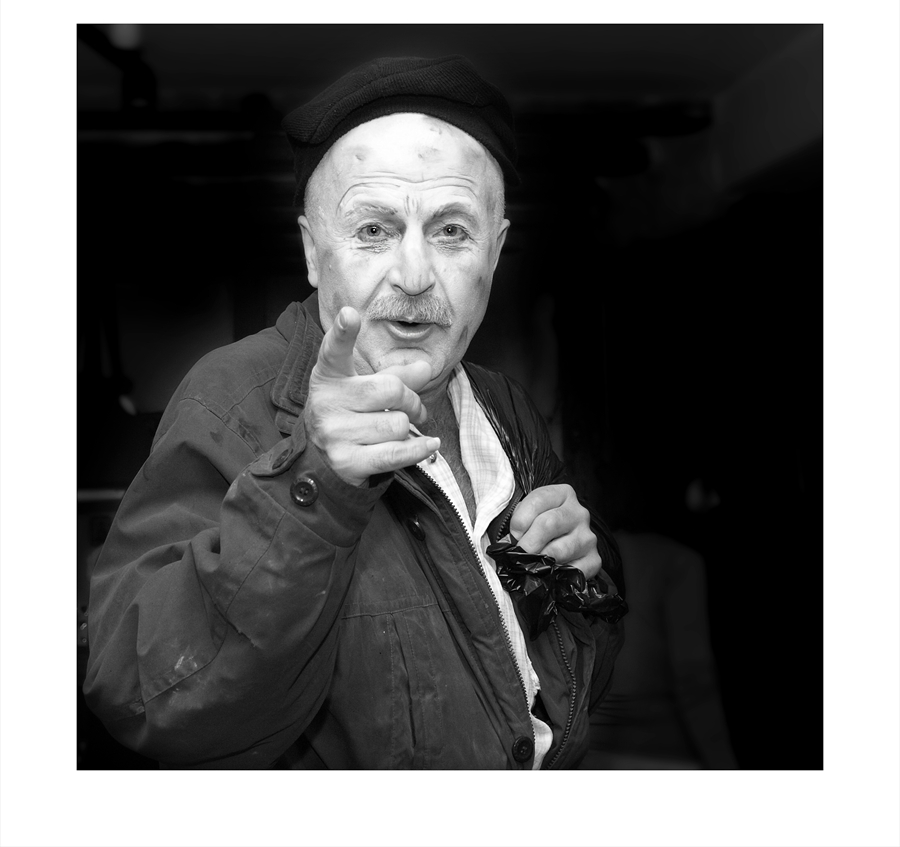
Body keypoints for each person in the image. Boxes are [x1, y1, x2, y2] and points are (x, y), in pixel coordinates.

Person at [83, 55, 626, 769]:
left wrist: (580, 573)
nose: (414, 275)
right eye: (373, 230)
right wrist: (313, 487)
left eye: (451, 231)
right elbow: (140, 698)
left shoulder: (504, 408)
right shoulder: (233, 399)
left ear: (494, 253)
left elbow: (568, 676)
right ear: (314, 253)